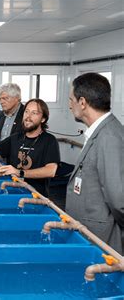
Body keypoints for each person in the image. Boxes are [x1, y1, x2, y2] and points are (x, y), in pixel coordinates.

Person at [66, 72, 124, 254]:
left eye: (71, 99)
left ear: (82, 102)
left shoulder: (109, 137)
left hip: (103, 238)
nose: (69, 105)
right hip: (90, 233)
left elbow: (119, 201)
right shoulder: (99, 133)